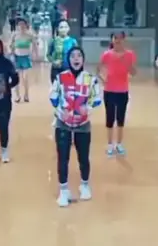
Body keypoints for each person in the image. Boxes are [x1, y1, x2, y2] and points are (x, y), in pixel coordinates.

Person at [50, 46, 102, 207]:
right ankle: (63, 190)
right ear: (68, 59)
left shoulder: (90, 79)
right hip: (63, 124)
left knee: (84, 157)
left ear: (83, 59)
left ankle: (84, 185)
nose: (76, 59)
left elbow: (97, 98)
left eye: (79, 55)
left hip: (83, 124)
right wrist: (61, 112)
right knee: (63, 158)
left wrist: (88, 108)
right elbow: (53, 97)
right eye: (72, 56)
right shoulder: (60, 77)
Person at [98, 32, 136, 156]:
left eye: (120, 38)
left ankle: (119, 144)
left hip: (123, 91)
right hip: (109, 90)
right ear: (112, 40)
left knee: (120, 118)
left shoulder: (130, 54)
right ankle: (110, 144)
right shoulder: (106, 54)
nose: (118, 40)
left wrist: (128, 67)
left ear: (124, 40)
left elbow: (133, 72)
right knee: (109, 118)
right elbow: (98, 69)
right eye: (115, 38)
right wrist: (103, 80)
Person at [9, 18, 36, 102]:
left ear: (26, 25)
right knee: (16, 77)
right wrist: (11, 53)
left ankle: (26, 94)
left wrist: (34, 54)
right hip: (17, 58)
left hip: (26, 58)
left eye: (23, 24)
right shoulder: (14, 35)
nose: (21, 26)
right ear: (17, 26)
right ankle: (17, 96)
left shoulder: (30, 35)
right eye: (19, 24)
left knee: (25, 78)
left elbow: (35, 45)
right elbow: (11, 45)